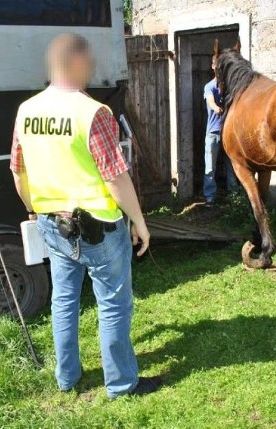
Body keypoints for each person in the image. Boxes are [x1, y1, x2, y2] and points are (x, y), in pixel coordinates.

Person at [10, 33, 162, 398]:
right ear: (76, 62)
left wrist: (35, 208)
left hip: (53, 223)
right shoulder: (93, 112)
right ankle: (122, 385)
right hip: (99, 229)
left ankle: (67, 378)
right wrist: (140, 221)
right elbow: (114, 177)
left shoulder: (27, 110)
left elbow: (17, 170)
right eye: (88, 61)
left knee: (63, 300)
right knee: (113, 304)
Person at [203, 59, 237, 207]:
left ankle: (234, 195)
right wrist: (217, 108)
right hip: (213, 132)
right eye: (216, 64)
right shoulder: (209, 87)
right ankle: (210, 196)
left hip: (228, 133)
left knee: (232, 166)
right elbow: (210, 101)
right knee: (210, 167)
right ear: (212, 66)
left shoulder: (228, 86)